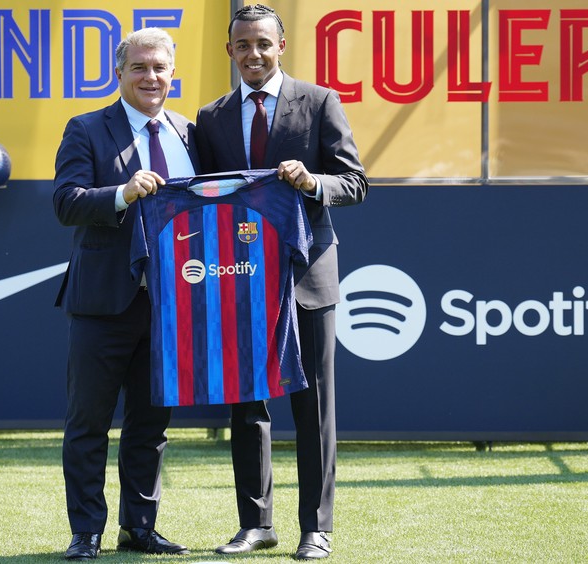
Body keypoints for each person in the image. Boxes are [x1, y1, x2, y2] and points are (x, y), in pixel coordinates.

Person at [194, 4, 369, 560]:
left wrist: (312, 181)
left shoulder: (319, 102)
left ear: (281, 46)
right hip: (240, 274)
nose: (253, 54)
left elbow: (355, 182)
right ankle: (256, 524)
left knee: (313, 405)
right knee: (248, 404)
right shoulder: (211, 117)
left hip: (307, 272)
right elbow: (202, 197)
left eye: (263, 44)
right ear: (229, 51)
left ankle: (315, 528)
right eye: (242, 45)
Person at [52, 27, 198, 560]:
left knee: (150, 425)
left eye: (160, 68)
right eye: (139, 67)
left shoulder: (188, 132)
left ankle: (140, 527)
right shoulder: (87, 128)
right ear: (119, 73)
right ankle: (85, 531)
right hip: (102, 303)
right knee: (88, 422)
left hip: (170, 304)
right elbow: (66, 203)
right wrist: (122, 192)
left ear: (172, 73)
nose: (150, 77)